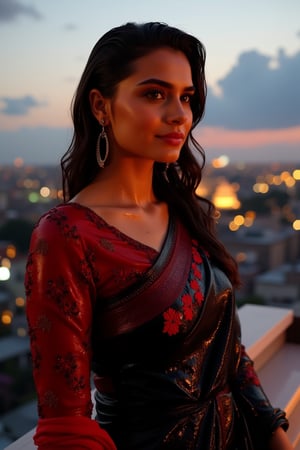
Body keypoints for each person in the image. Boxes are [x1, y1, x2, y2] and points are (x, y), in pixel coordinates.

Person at [25, 22, 293, 450]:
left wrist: (276, 436)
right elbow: (65, 426)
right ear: (101, 106)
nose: (179, 114)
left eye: (186, 97)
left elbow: (229, 353)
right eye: (154, 94)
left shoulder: (186, 212)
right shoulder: (65, 235)